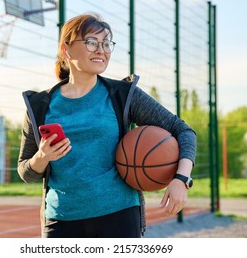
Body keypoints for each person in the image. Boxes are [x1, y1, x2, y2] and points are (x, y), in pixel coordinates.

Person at [17, 13, 196, 238]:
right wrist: (42, 157)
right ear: (66, 49)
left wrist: (181, 179)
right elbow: (26, 172)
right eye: (92, 42)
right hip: (61, 220)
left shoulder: (123, 95)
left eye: (106, 44)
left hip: (118, 215)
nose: (101, 50)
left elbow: (183, 131)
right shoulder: (40, 105)